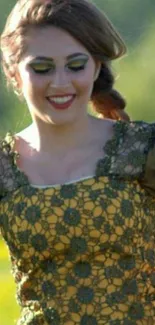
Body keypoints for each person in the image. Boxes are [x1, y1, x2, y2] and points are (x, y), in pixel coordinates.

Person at [0, 0, 155, 324]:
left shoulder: (143, 149)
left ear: (96, 67)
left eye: (75, 65)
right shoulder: (4, 166)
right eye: (41, 68)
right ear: (13, 72)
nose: (60, 83)